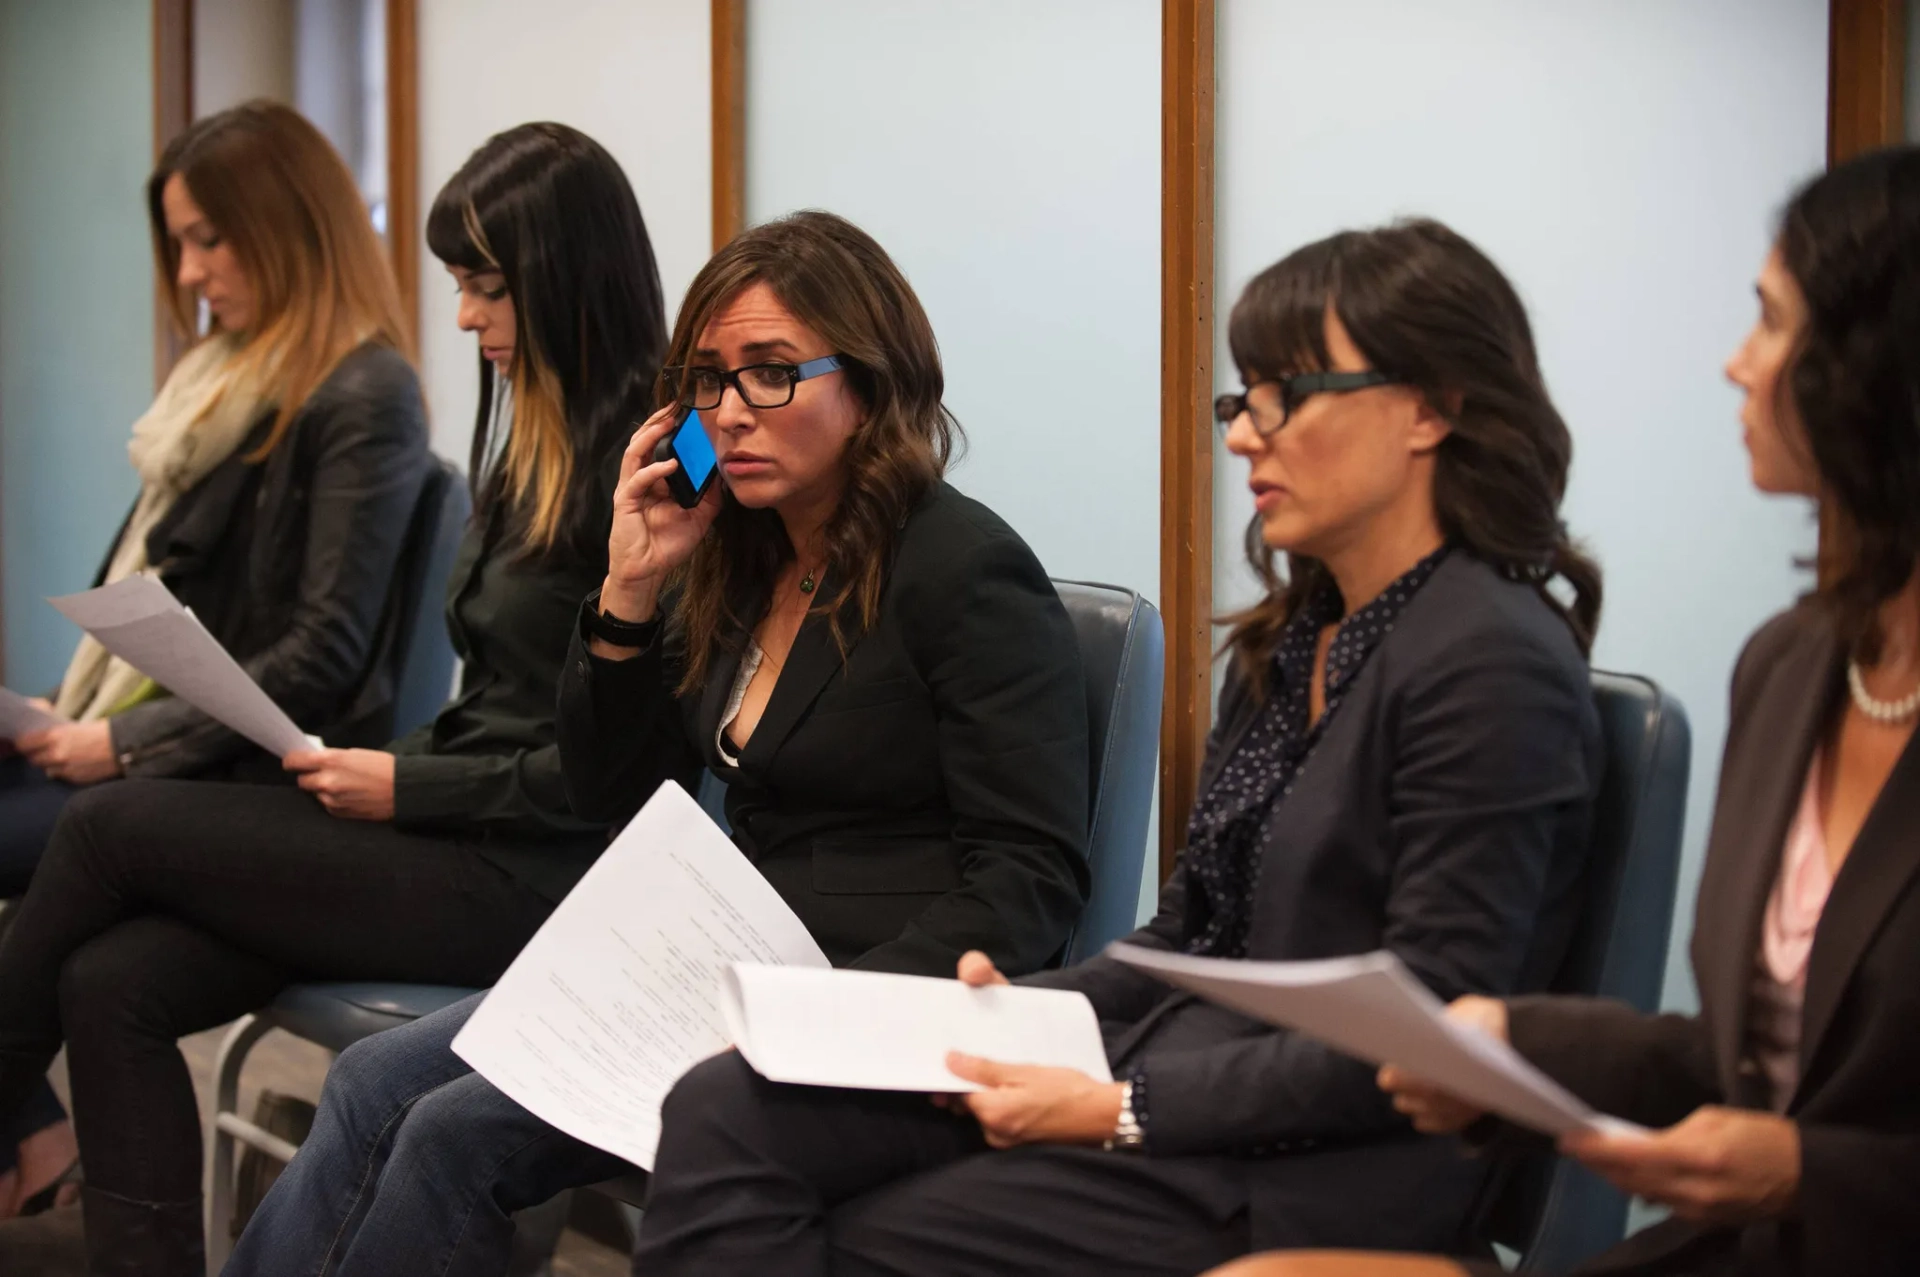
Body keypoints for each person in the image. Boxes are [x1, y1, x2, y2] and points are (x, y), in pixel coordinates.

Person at [605, 216, 1608, 1277]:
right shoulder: (1291, 638)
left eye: (1286, 397)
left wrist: (1117, 1104)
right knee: (729, 1101)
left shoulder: (1493, 659)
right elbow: (1184, 936)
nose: (1241, 435)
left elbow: (1428, 1031)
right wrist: (990, 1013)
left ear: (1433, 410)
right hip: (1177, 1080)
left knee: (857, 1231)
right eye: (1242, 399)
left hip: (1317, 1168)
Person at [224, 209, 1093, 1277]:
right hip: (714, 961)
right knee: (369, 1080)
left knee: (451, 1135)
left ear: (871, 383)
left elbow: (1032, 878)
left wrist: (818, 1007)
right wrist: (630, 589)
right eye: (709, 379)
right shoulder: (742, 550)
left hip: (854, 985)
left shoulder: (964, 570)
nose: (730, 413)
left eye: (771, 373)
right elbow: (614, 790)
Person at [1217, 150, 1920, 1277]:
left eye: (1774, 324)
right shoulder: (1793, 666)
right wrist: (1509, 1039)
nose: (1739, 365)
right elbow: (1737, 1059)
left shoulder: (1487, 650)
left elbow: (1808, 1127)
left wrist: (1806, 1172)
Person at [0, 120, 667, 1275]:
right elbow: (496, 706)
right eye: (460, 284)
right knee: (111, 981)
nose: (463, 318)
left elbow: (608, 778)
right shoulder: (530, 445)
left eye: (485, 287)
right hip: (460, 822)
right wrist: (408, 779)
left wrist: (406, 780)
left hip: (544, 873)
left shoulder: (658, 479)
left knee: (107, 825)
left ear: (564, 276)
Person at [0, 99, 431, 1225]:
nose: (189, 273)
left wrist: (121, 740)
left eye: (209, 238)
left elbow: (324, 652)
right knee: (95, 970)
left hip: (241, 776)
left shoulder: (363, 390)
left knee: (96, 956)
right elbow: (167, 609)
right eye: (179, 242)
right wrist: (64, 709)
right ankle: (29, 1127)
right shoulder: (223, 383)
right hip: (168, 746)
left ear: (284, 227)